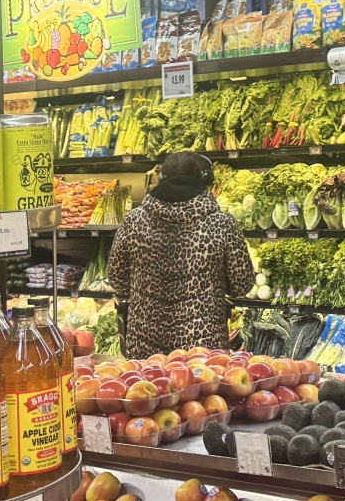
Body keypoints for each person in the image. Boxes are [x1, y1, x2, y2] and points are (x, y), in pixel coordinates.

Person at [107, 152, 252, 359]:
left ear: (161, 179)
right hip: (202, 348)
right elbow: (242, 284)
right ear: (205, 181)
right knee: (203, 391)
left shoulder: (133, 221)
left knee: (147, 389)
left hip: (145, 345)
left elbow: (117, 280)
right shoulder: (222, 223)